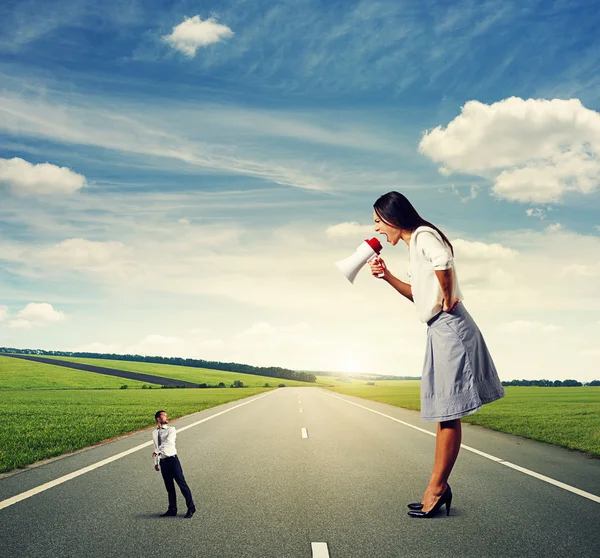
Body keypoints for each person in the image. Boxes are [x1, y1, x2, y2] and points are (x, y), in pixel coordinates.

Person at [369, 191, 505, 519]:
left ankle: (437, 488)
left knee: (448, 412)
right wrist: (387, 276)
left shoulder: (423, 236)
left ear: (392, 217)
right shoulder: (413, 247)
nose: (376, 229)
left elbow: (443, 261)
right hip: (438, 328)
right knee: (445, 411)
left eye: (377, 222)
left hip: (450, 326)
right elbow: (417, 294)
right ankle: (436, 486)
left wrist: (446, 297)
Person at [152, 410, 196, 518]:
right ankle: (172, 509)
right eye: (164, 416)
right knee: (169, 487)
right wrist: (156, 462)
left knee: (182, 484)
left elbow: (169, 442)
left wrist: (158, 451)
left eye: (167, 415)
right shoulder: (154, 432)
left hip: (173, 461)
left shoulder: (171, 430)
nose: (167, 417)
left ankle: (191, 508)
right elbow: (155, 447)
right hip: (163, 462)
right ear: (158, 418)